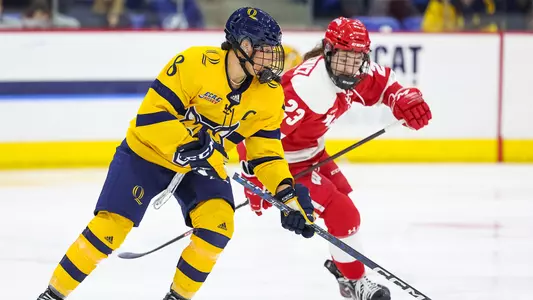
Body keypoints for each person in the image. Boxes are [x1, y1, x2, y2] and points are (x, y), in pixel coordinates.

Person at [36, 7, 315, 300]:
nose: (272, 58)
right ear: (243, 46)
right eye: (265, 50)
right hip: (147, 154)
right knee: (110, 227)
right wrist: (188, 142)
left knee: (218, 227)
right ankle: (52, 295)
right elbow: (150, 118)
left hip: (203, 166)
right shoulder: (194, 63)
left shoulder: (269, 93)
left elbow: (266, 153)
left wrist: (288, 196)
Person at [237, 17, 432, 300]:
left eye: (357, 59)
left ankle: (345, 272)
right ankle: (356, 282)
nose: (349, 68)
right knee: (344, 212)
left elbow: (386, 84)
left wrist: (403, 97)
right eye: (343, 58)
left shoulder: (355, 69)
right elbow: (258, 134)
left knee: (344, 201)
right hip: (282, 164)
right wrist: (255, 179)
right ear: (328, 51)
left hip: (312, 152)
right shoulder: (304, 89)